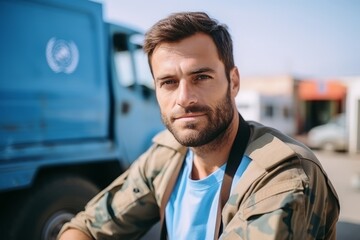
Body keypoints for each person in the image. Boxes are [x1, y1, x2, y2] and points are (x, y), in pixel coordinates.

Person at [58, 12, 339, 240]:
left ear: (234, 82)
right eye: (168, 83)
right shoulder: (168, 155)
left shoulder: (282, 175)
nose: (184, 99)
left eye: (201, 77)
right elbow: (84, 229)